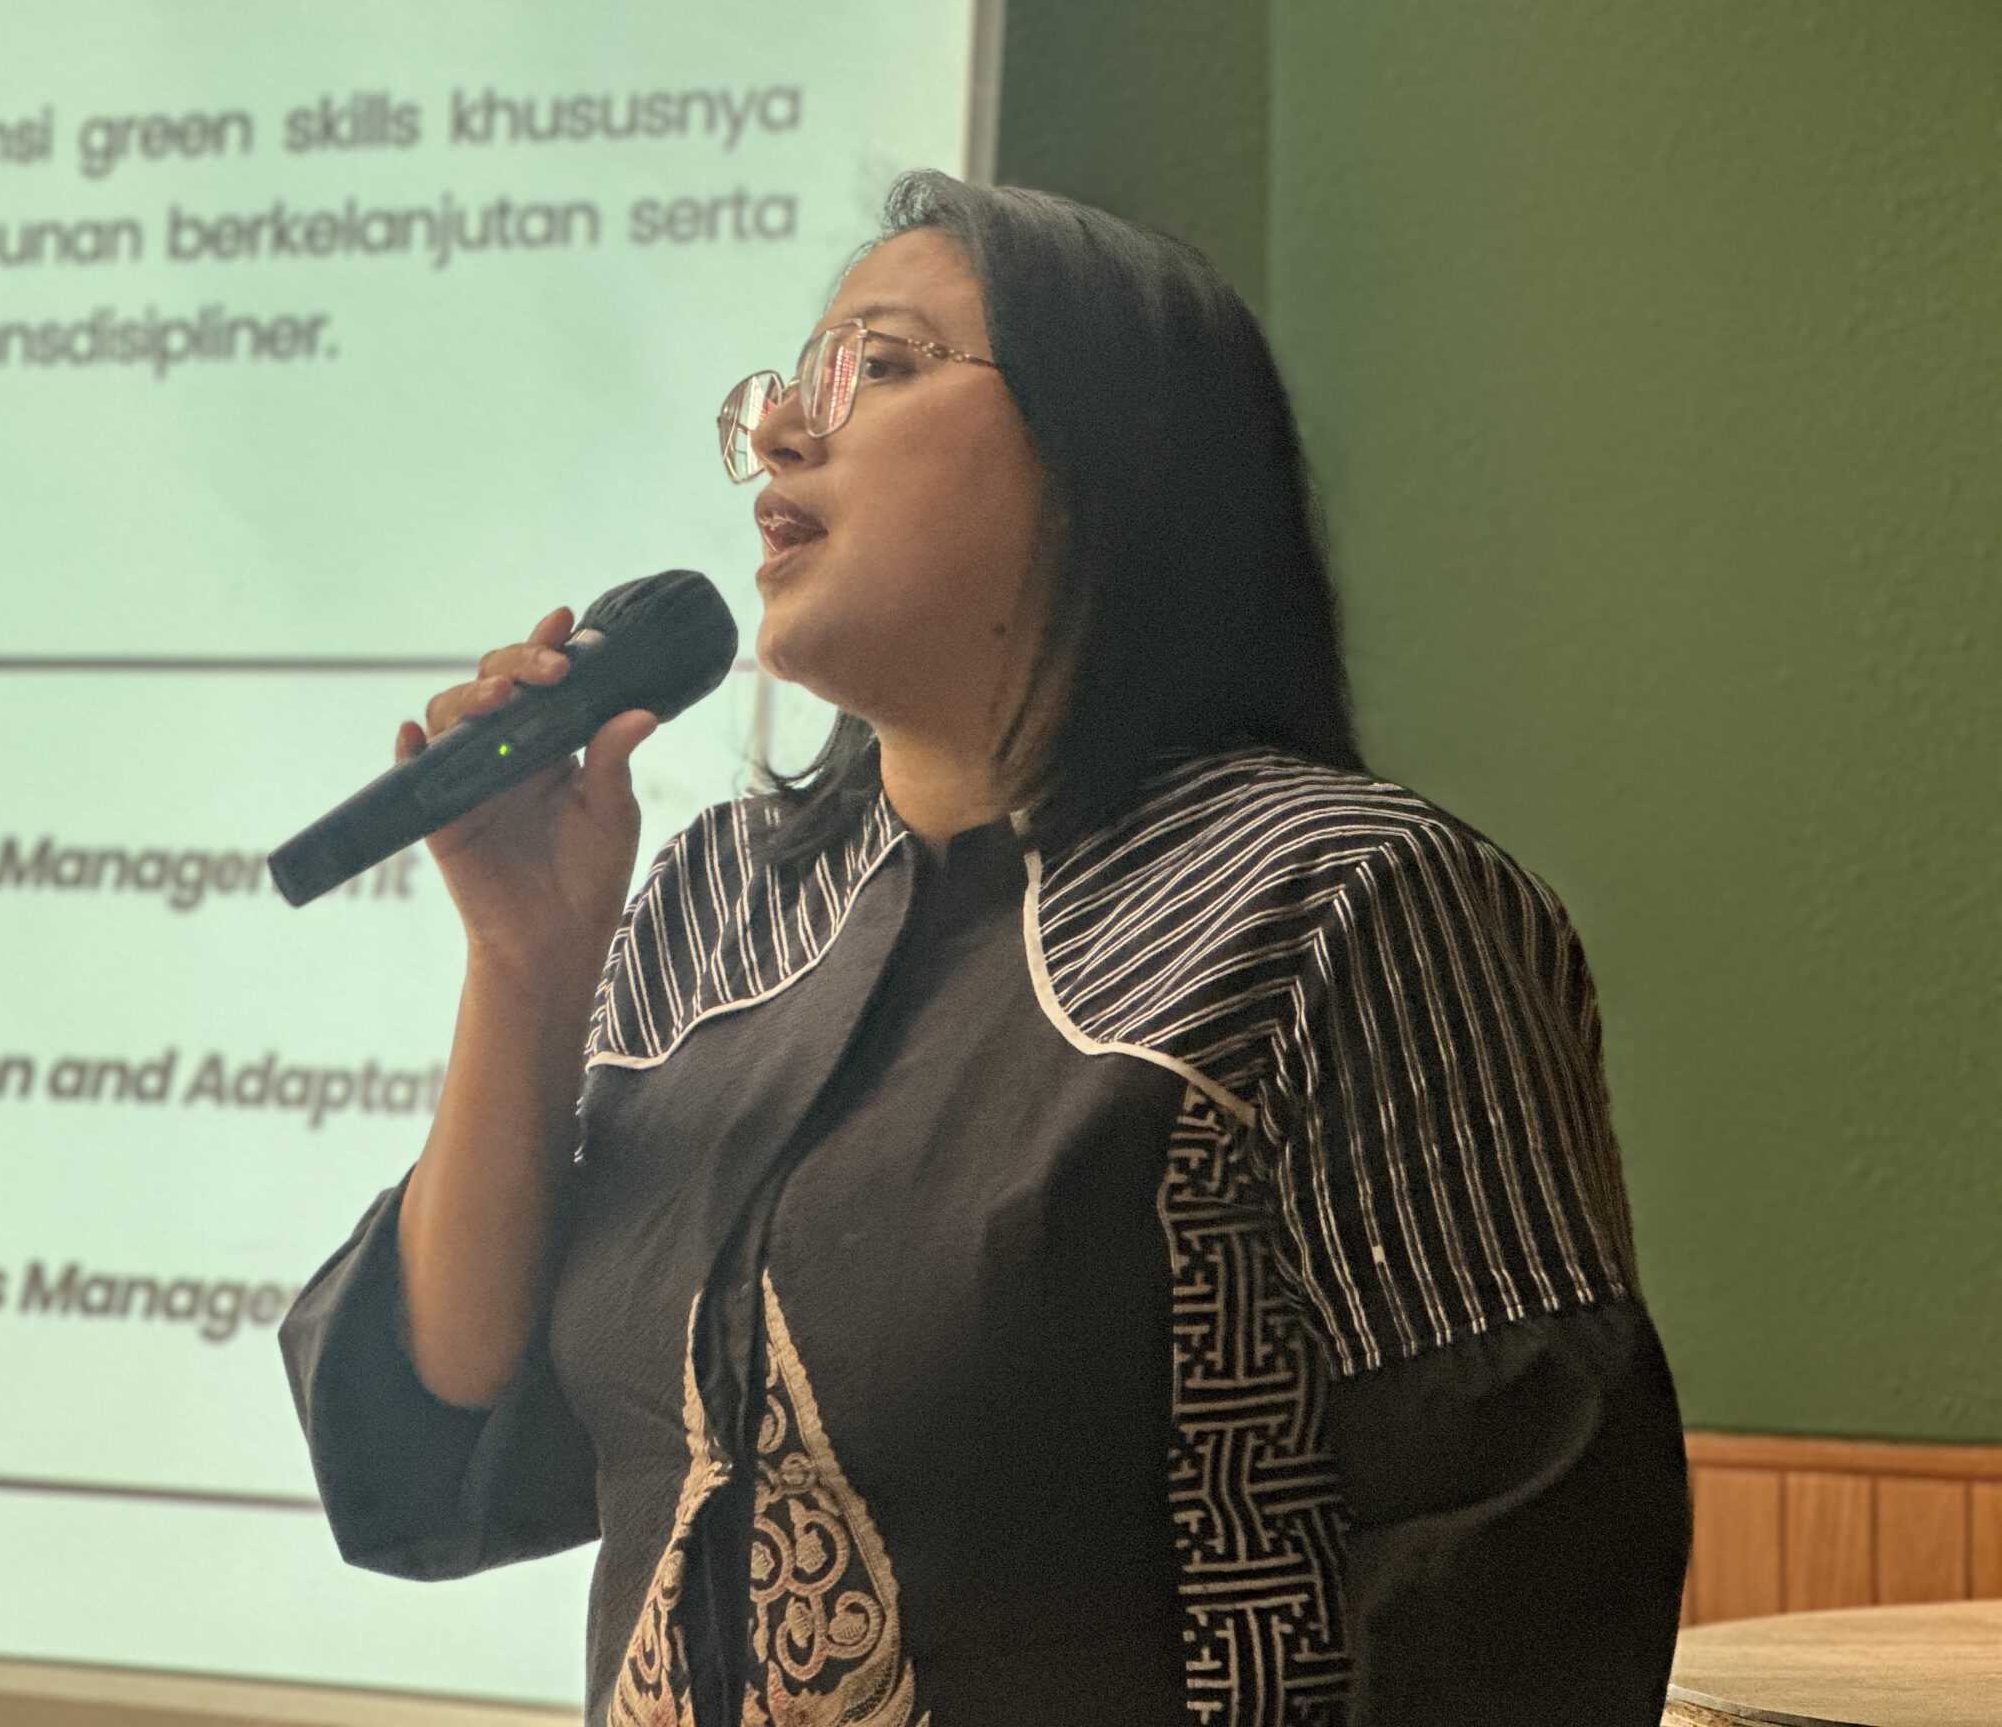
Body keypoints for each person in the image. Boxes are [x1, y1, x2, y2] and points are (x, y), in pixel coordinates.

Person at [280, 172, 1692, 1726]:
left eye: (878, 367)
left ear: (1105, 458)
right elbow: (441, 1430)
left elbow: (1525, 1566)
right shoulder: (712, 906)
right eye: (786, 385)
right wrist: (526, 963)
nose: (781, 431)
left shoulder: (1338, 901)